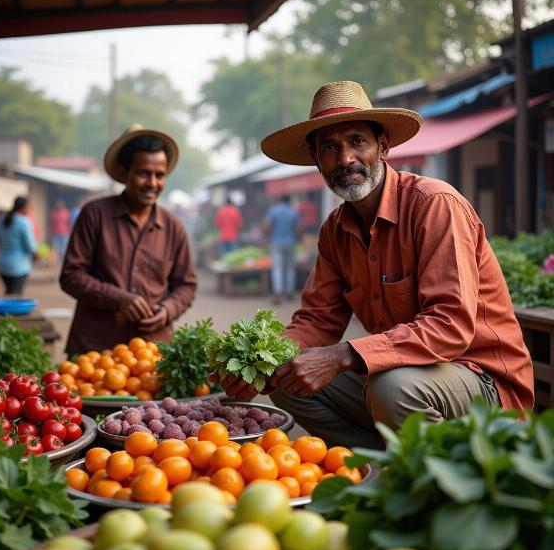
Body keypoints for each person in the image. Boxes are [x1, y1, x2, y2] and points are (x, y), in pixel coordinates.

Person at [215, 80, 534, 449]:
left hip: (482, 380)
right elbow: (318, 320)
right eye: (330, 148)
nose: (346, 158)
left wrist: (343, 355)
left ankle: (436, 481)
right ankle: (382, 465)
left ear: (383, 146)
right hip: (409, 376)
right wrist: (261, 364)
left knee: (391, 387)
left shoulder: (434, 205)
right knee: (291, 382)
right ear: (316, 160)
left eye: (357, 141)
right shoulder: (335, 230)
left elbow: (450, 325)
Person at [60, 124, 197, 355]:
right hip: (94, 352)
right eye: (144, 173)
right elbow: (70, 276)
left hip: (152, 352)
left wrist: (167, 310)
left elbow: (186, 285)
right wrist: (119, 298)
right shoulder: (94, 214)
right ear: (124, 173)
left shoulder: (174, 227)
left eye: (159, 175)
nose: (152, 183)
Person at [0, 196, 38, 295]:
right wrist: (36, 255)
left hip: (2, 264)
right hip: (18, 266)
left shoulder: (1, 219)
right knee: (15, 296)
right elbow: (30, 246)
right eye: (29, 206)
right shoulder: (24, 222)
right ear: (23, 207)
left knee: (9, 292)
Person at [265, 195, 300, 304]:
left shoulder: (273, 211)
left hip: (277, 242)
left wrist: (267, 235)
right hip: (290, 242)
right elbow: (299, 228)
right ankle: (289, 292)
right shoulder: (294, 212)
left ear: (280, 200)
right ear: (289, 201)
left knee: (278, 268)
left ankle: (278, 292)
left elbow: (268, 226)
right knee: (290, 268)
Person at [297, 191, 319, 259]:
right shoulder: (315, 205)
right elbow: (317, 215)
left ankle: (307, 254)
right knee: (313, 239)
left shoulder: (302, 205)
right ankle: (313, 254)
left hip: (306, 225)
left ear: (306, 197)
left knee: (306, 239)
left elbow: (298, 214)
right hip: (314, 224)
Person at [49, 199, 71, 264]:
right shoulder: (53, 213)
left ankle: (62, 261)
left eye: (60, 205)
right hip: (56, 234)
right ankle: (57, 261)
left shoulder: (66, 212)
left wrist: (70, 232)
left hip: (64, 233)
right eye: (58, 205)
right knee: (56, 249)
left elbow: (69, 223)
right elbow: (51, 223)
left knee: (63, 249)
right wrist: (50, 232)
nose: (59, 206)